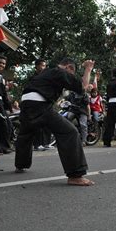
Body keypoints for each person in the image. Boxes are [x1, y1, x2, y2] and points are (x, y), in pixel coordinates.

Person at [15, 58, 95, 186]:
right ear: (69, 68)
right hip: (39, 105)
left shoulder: (46, 73)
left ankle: (21, 164)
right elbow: (83, 87)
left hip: (26, 104)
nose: (71, 76)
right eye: (72, 73)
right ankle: (75, 175)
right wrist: (88, 69)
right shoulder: (60, 72)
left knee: (26, 133)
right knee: (69, 132)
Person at [30, 58, 52, 151]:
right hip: (35, 102)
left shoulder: (47, 77)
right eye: (42, 65)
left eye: (45, 66)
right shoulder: (33, 78)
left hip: (45, 102)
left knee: (47, 123)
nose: (44, 67)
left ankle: (46, 143)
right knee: (38, 124)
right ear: (37, 66)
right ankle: (37, 144)